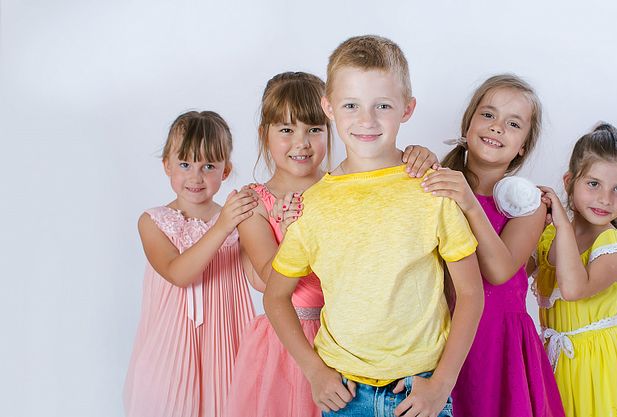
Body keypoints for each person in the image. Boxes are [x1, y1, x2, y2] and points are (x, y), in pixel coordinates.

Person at [263, 35, 484, 417]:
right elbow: (275, 296)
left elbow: (470, 293)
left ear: (407, 108)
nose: (366, 120)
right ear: (329, 107)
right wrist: (314, 371)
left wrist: (442, 384)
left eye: (382, 105)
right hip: (345, 395)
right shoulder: (313, 205)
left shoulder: (430, 188)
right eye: (351, 105)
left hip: (419, 391)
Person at [226, 71, 441, 417]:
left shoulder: (343, 187)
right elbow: (270, 279)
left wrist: (416, 155)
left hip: (348, 339)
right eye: (286, 130)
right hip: (289, 340)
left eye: (314, 129)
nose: (302, 142)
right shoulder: (255, 203)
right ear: (265, 134)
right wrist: (293, 231)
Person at [422, 74, 565, 417]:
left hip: (500, 346)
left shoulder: (529, 205)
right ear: (468, 125)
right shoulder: (435, 185)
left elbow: (499, 270)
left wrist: (470, 203)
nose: (497, 127)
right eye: (488, 115)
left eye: (513, 124)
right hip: (442, 336)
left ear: (523, 146)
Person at [124, 111, 257, 417]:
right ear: (167, 165)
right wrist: (222, 226)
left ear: (225, 170)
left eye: (208, 166)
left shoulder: (238, 222)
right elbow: (179, 273)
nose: (196, 177)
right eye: (185, 164)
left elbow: (260, 278)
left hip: (225, 348)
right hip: (171, 350)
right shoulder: (153, 222)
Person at [533, 123, 617, 416]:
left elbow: (574, 289)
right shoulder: (547, 238)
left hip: (600, 366)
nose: (605, 199)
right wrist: (525, 217)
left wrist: (562, 224)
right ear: (569, 182)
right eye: (593, 184)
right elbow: (506, 274)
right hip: (553, 361)